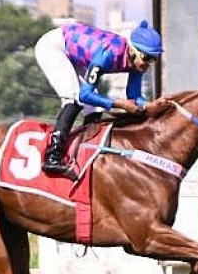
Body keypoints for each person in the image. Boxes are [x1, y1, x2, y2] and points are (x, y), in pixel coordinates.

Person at [34, 19, 164, 176]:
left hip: (76, 54)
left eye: (153, 59)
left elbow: (134, 96)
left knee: (95, 109)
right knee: (74, 99)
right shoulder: (109, 53)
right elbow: (85, 94)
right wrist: (119, 104)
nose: (149, 63)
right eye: (146, 57)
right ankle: (52, 158)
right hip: (54, 47)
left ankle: (85, 154)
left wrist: (150, 106)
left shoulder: (137, 63)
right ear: (132, 50)